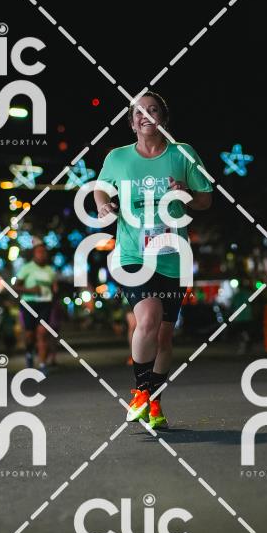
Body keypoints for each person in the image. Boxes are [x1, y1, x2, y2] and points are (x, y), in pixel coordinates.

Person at [95, 92, 212, 429]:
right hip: (132, 255)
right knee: (148, 317)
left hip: (173, 256)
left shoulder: (183, 153)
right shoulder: (117, 157)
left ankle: (154, 400)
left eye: (153, 109)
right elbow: (101, 188)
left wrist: (186, 193)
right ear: (132, 123)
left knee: (164, 337)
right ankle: (141, 392)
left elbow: (205, 200)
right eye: (138, 112)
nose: (145, 115)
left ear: (163, 118)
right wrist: (103, 204)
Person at [14, 243, 57, 375]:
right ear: (34, 254)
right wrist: (30, 290)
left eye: (44, 252)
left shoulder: (50, 270)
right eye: (39, 252)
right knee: (30, 335)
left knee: (42, 333)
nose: (42, 254)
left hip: (45, 304)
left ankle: (42, 364)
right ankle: (29, 353)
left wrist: (55, 291)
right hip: (29, 303)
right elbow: (15, 287)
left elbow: (54, 287)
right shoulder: (26, 268)